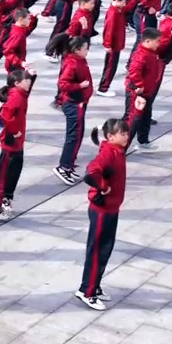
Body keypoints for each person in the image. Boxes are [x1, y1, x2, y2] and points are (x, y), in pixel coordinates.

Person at [76, 118, 130, 311]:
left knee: (105, 249)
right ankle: (87, 291)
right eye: (122, 134)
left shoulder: (118, 149)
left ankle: (94, 285)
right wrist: (103, 187)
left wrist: (138, 110)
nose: (126, 136)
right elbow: (91, 173)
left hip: (112, 209)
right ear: (110, 136)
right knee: (97, 250)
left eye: (126, 133)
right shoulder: (108, 153)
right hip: (102, 211)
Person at [0, 67, 33, 219]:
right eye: (27, 80)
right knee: (4, 175)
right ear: (17, 83)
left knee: (15, 171)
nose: (29, 82)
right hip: (10, 143)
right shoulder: (16, 97)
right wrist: (12, 132)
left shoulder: (21, 94)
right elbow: (5, 115)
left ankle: (6, 197)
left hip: (18, 143)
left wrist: (33, 75)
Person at [48, 33, 92, 186]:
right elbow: (63, 84)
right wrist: (80, 87)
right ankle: (63, 166)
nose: (87, 51)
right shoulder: (72, 63)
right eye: (85, 48)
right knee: (73, 137)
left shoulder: (79, 60)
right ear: (77, 49)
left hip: (79, 102)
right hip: (74, 104)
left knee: (78, 136)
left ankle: (69, 165)